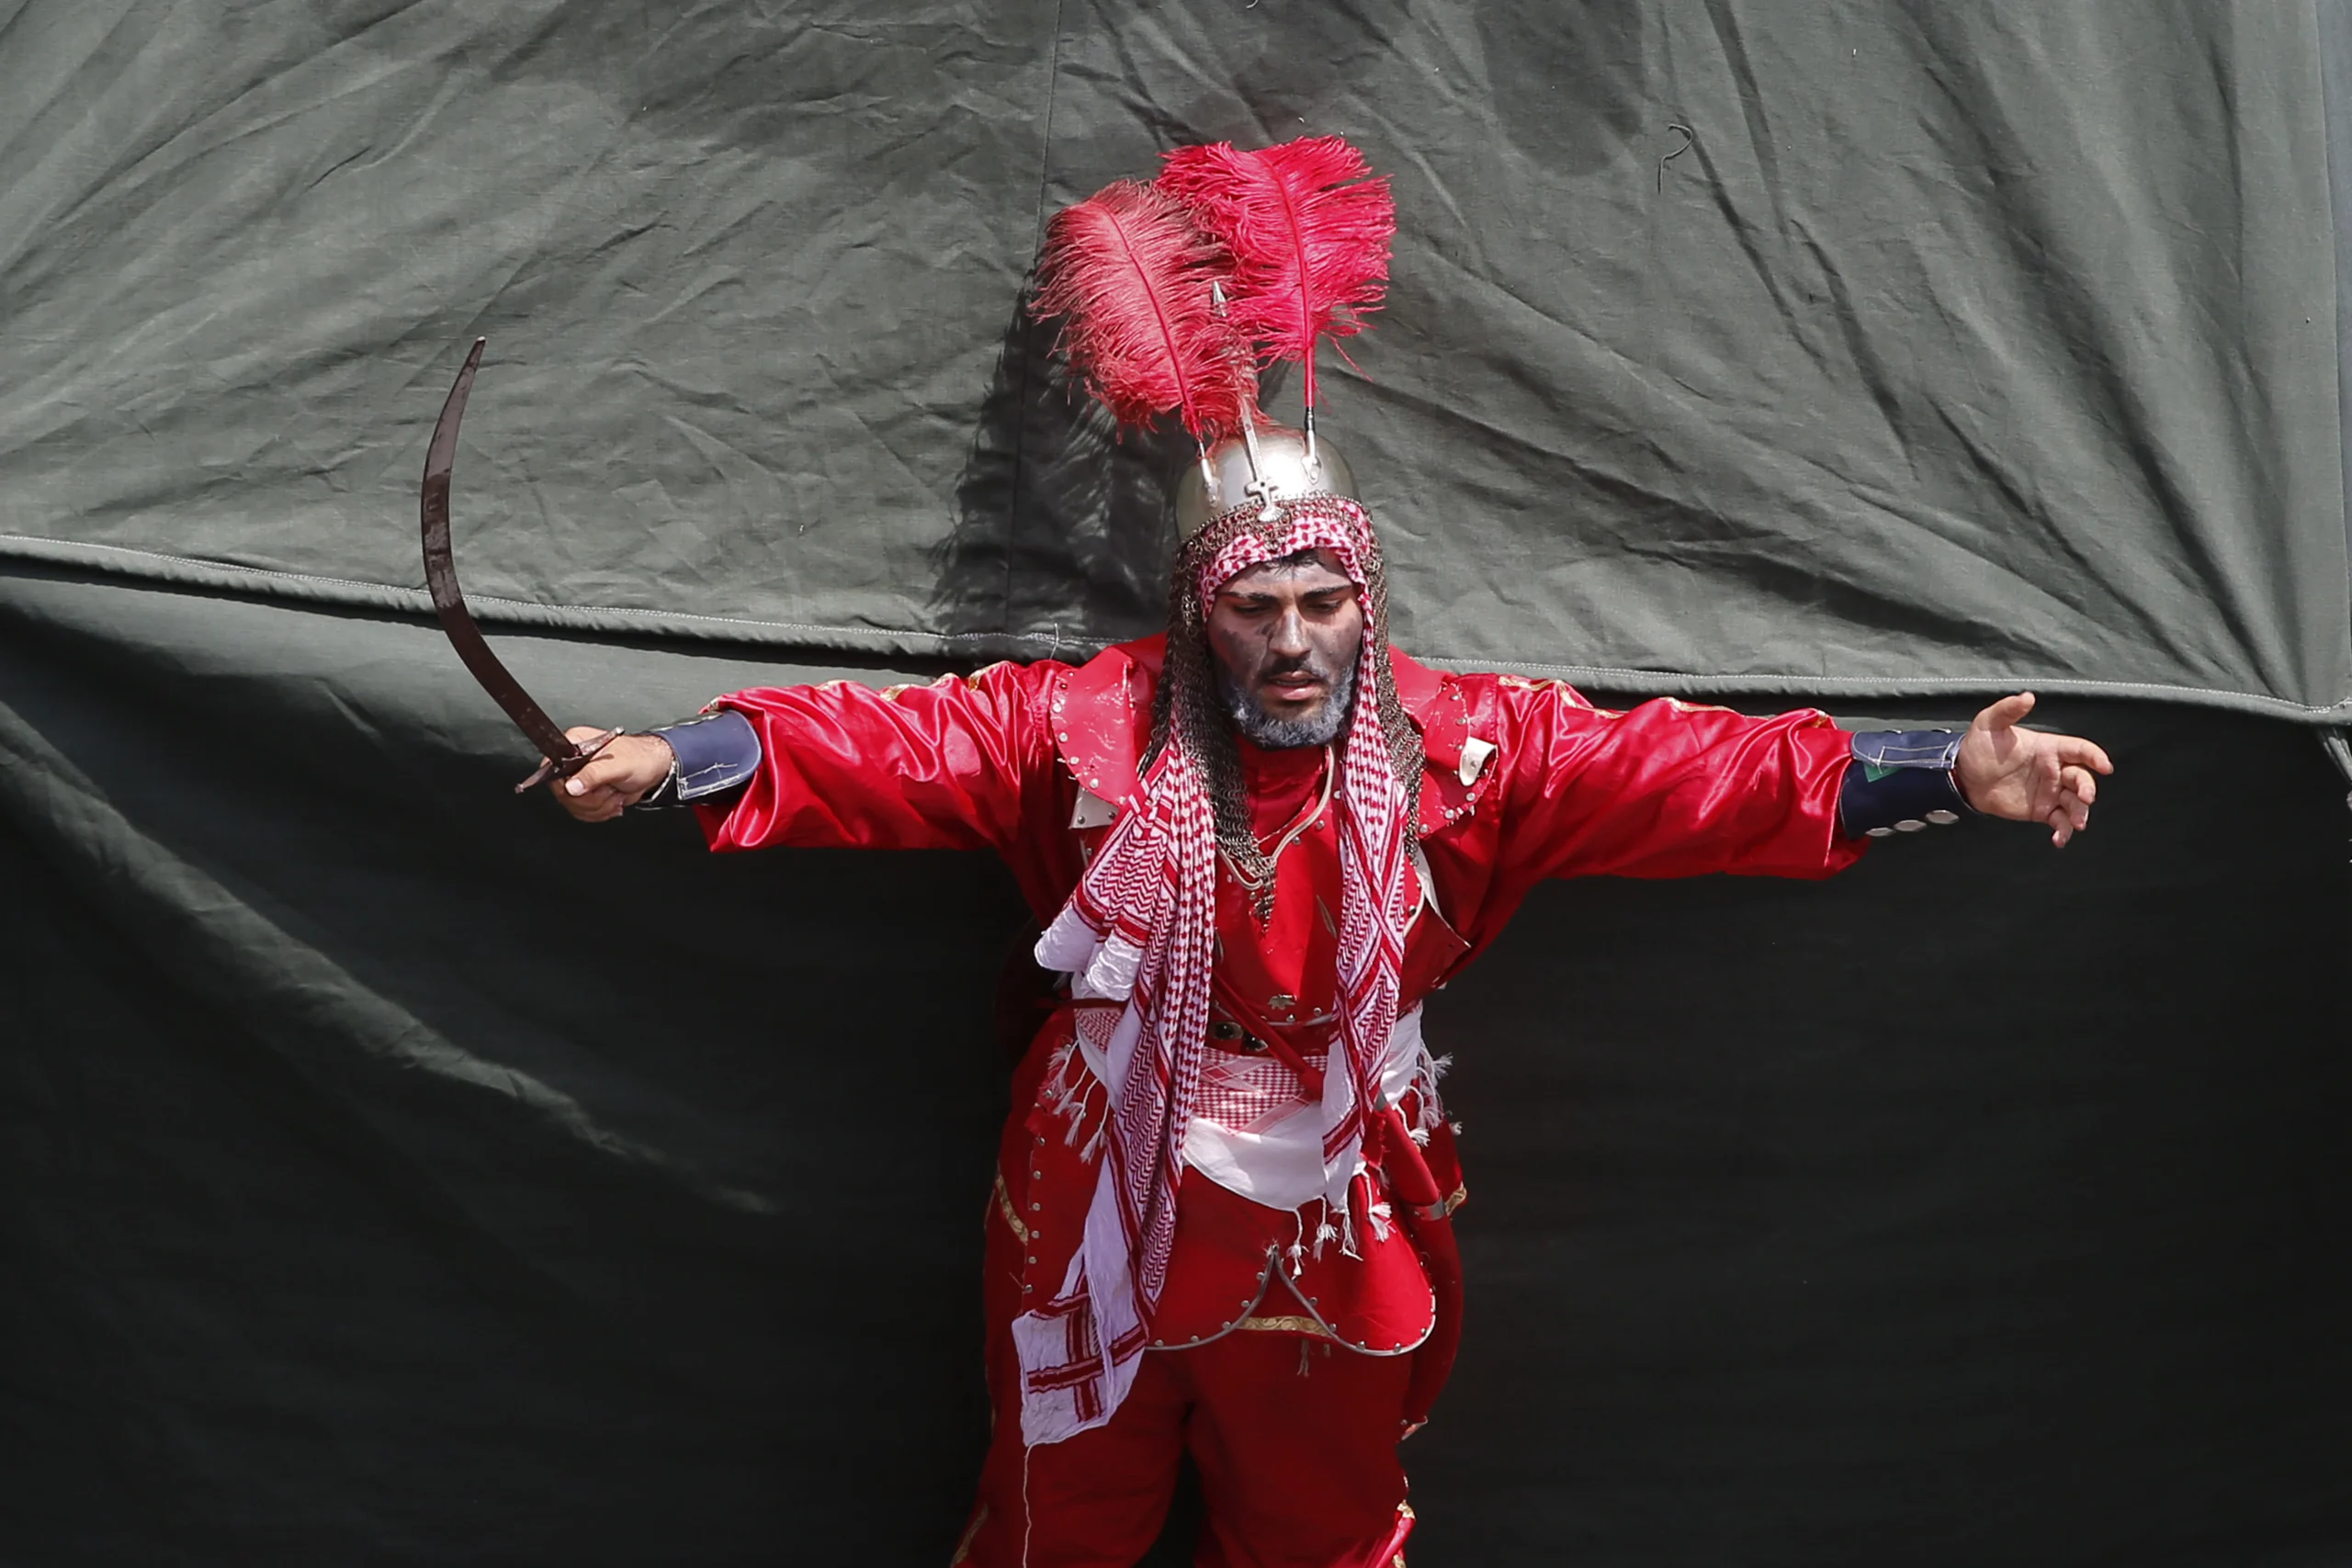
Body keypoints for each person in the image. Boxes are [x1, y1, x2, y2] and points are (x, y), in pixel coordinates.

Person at [539, 150, 2111, 1568]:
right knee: (1052, 1526)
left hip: (1334, 1194)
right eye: (1252, 607)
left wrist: (1941, 770)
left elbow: (1697, 770)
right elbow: (881, 746)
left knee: (1324, 1536)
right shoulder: (1087, 724)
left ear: (1367, 601)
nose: (1292, 644)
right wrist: (682, 758)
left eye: (1322, 604)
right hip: (1101, 1178)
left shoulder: (1474, 749)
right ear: (1193, 611)